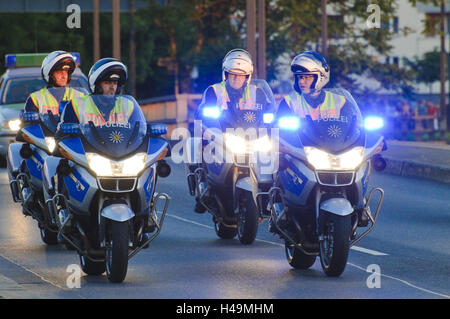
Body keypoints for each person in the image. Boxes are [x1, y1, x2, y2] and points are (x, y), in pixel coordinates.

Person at [191, 49, 272, 213]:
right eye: (232, 74)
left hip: (251, 139)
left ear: (247, 77)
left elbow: (270, 113)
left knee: (274, 159)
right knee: (198, 145)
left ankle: (270, 198)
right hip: (222, 137)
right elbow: (203, 113)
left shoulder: (258, 93)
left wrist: (272, 122)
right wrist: (208, 122)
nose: (236, 78)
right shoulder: (214, 91)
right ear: (225, 74)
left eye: (240, 75)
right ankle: (202, 186)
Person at [276, 51, 361, 125]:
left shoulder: (340, 101)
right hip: (300, 144)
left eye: (307, 77)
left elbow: (353, 128)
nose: (301, 81)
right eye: (299, 77)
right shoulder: (289, 102)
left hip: (333, 143)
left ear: (321, 77)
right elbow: (280, 133)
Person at [60, 57, 138, 127]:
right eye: (107, 82)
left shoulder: (128, 106)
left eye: (115, 83)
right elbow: (64, 136)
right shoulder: (76, 106)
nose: (112, 87)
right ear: (97, 85)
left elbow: (139, 132)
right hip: (87, 143)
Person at [24, 51, 85, 115]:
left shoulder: (79, 96)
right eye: (59, 72)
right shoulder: (36, 99)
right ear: (50, 74)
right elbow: (29, 123)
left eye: (66, 72)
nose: (64, 76)